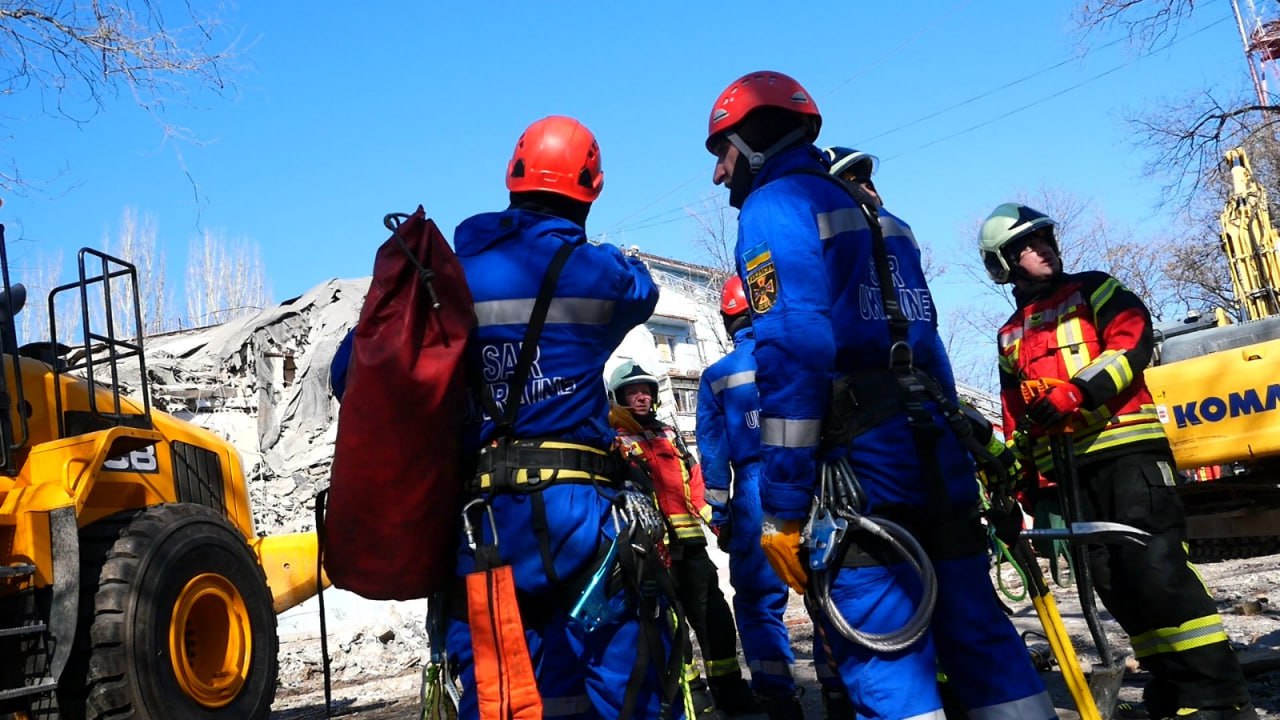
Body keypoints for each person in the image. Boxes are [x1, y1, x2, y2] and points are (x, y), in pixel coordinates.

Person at [703, 69, 1056, 718]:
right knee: (982, 640)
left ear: (752, 140)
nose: (720, 174)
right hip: (932, 451)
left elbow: (792, 354)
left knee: (887, 660)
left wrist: (782, 510)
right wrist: (971, 452)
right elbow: (931, 349)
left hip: (863, 471)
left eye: (721, 151)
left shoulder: (774, 209)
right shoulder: (882, 217)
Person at [979, 202, 1257, 720]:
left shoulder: (1096, 290)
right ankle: (1173, 686)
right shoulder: (1010, 334)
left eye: (1045, 239)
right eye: (1027, 245)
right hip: (1067, 473)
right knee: (1117, 582)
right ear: (1004, 263)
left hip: (1128, 455)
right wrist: (1022, 489)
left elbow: (1130, 343)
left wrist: (1077, 394)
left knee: (1158, 570)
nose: (1043, 248)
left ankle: (1219, 697)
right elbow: (1016, 416)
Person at [437, 115, 672, 720]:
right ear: (591, 187)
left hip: (485, 529)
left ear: (511, 179)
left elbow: (351, 370)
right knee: (627, 684)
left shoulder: (447, 275)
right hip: (581, 523)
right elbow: (643, 290)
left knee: (503, 699)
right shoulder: (596, 272)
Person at [696, 275, 853, 720]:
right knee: (827, 584)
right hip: (814, 477)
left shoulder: (718, 377)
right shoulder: (806, 353)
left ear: (728, 320)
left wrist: (722, 513)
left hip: (754, 492)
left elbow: (712, 453)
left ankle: (777, 697)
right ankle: (839, 688)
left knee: (758, 600)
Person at [608, 360, 760, 717]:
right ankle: (693, 698)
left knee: (715, 620)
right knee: (670, 628)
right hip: (649, 554)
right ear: (618, 398)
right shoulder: (613, 442)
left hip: (691, 549)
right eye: (633, 392)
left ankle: (731, 692)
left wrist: (719, 523)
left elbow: (695, 483)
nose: (641, 397)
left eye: (646, 391)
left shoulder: (669, 435)